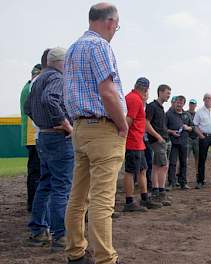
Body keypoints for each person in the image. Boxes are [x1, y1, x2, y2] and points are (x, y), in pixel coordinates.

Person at [63, 3, 127, 264]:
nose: (115, 30)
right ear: (110, 22)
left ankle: (75, 251)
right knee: (102, 201)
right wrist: (122, 123)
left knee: (78, 196)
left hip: (80, 127)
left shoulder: (72, 49)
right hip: (102, 128)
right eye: (117, 26)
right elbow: (108, 91)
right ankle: (105, 258)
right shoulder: (100, 46)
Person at [24, 47, 74, 250]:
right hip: (58, 138)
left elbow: (28, 107)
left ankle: (38, 232)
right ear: (61, 62)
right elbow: (50, 99)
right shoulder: (56, 78)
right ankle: (60, 236)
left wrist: (42, 123)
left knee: (45, 184)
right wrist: (65, 124)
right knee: (61, 187)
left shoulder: (37, 80)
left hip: (43, 137)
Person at [122, 77, 160, 212]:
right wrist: (121, 137)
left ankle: (144, 199)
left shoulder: (135, 98)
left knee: (143, 170)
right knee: (131, 172)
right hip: (132, 142)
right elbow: (128, 121)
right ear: (146, 89)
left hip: (138, 142)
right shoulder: (134, 99)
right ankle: (129, 201)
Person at [20, 63, 42, 212]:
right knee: (36, 173)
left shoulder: (26, 87)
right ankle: (34, 204)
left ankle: (32, 203)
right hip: (32, 136)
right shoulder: (32, 88)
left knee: (34, 172)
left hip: (30, 136)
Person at [146, 84, 172, 205]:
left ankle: (158, 192)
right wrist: (158, 136)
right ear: (160, 92)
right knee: (162, 166)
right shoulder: (152, 106)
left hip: (163, 140)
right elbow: (146, 124)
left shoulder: (161, 108)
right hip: (157, 141)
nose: (168, 96)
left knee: (158, 166)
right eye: (167, 93)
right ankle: (159, 193)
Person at [166, 95, 194, 189]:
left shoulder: (187, 115)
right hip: (173, 143)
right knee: (172, 163)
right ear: (175, 103)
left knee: (183, 163)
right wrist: (172, 132)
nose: (179, 104)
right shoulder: (169, 114)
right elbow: (164, 128)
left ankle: (183, 183)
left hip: (184, 142)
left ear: (183, 104)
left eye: (181, 103)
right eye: (177, 102)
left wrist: (188, 128)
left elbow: (192, 127)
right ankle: (171, 183)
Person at [187, 99, 199, 178]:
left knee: (198, 158)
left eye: (193, 104)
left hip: (197, 138)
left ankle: (198, 175)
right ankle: (181, 175)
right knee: (185, 158)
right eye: (191, 104)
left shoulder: (198, 114)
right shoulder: (185, 113)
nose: (192, 105)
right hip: (188, 138)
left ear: (195, 105)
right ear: (189, 105)